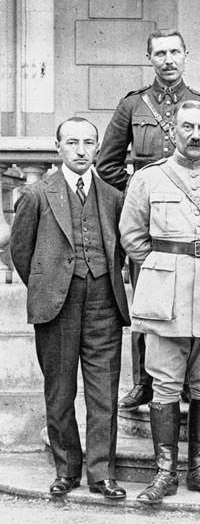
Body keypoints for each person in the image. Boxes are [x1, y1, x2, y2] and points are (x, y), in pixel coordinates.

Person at [120, 100, 200, 505]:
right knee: (165, 384)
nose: (194, 135)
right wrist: (161, 270)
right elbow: (133, 237)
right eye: (187, 127)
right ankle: (164, 473)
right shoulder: (149, 179)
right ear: (172, 129)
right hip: (165, 298)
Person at [95, 28, 200, 413]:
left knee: (193, 298)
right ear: (149, 58)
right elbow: (106, 162)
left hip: (192, 219)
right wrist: (138, 186)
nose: (168, 60)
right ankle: (144, 381)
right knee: (148, 299)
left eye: (174, 53)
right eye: (160, 53)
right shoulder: (133, 105)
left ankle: (186, 379)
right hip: (151, 220)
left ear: (187, 55)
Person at [10, 117, 130, 499]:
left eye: (88, 142)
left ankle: (101, 473)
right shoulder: (36, 194)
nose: (81, 150)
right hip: (56, 306)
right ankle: (67, 469)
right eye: (73, 142)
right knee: (59, 391)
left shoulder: (112, 197)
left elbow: (121, 252)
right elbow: (21, 253)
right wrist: (48, 288)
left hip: (103, 303)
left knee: (103, 392)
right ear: (58, 147)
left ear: (97, 148)